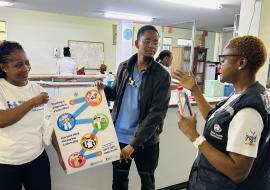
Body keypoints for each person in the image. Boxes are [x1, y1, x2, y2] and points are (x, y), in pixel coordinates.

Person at [172, 35, 270, 190]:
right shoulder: (240, 94)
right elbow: (216, 120)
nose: (220, 64)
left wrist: (194, 136)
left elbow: (238, 171)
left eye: (224, 59)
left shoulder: (248, 111)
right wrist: (195, 90)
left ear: (241, 63)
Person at [98, 25, 171, 190]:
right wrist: (103, 90)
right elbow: (116, 93)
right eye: (147, 41)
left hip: (144, 143)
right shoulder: (124, 67)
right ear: (137, 43)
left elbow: (156, 115)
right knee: (119, 182)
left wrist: (134, 144)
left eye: (155, 42)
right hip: (120, 138)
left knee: (147, 183)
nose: (152, 46)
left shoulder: (162, 75)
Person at [0, 41, 65, 190]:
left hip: (36, 160)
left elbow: (49, 125)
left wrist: (61, 155)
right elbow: (2, 120)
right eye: (18, 65)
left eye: (27, 63)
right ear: (4, 67)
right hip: (6, 163)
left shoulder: (38, 90)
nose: (25, 69)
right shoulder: (2, 88)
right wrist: (32, 102)